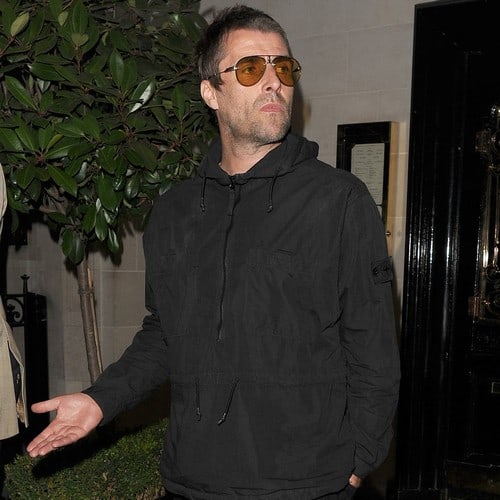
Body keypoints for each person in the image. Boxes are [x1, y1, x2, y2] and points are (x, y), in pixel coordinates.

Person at [26, 5, 400, 499]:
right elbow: (165, 334)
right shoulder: (174, 212)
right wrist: (100, 400)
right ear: (210, 92)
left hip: (305, 484)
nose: (273, 82)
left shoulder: (340, 201)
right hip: (192, 480)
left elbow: (373, 346)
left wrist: (359, 461)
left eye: (283, 68)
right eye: (251, 68)